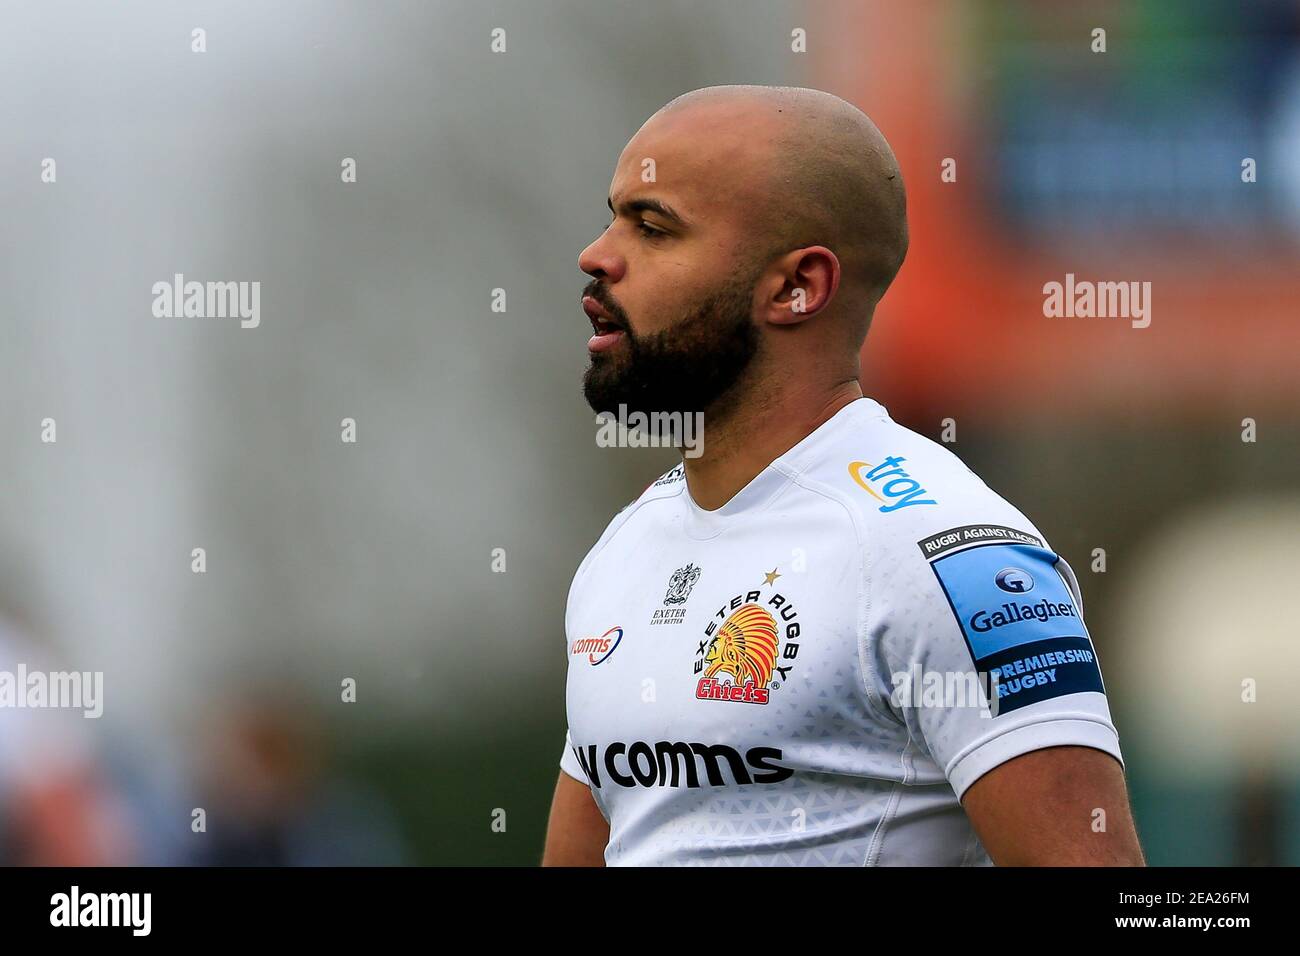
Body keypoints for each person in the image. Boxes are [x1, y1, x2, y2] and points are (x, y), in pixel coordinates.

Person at [544, 85, 1144, 866]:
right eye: (613, 215)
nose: (597, 255)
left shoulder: (946, 552)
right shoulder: (625, 548)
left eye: (653, 227)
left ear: (798, 287)